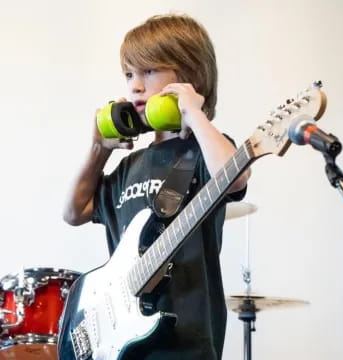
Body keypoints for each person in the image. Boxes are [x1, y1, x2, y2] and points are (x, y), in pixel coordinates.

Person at [63, 13, 250, 360]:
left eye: (148, 71)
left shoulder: (203, 153)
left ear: (190, 78)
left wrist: (195, 113)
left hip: (186, 342)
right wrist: (98, 149)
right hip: (123, 342)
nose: (134, 85)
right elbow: (74, 212)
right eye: (129, 74)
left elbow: (235, 175)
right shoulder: (127, 167)